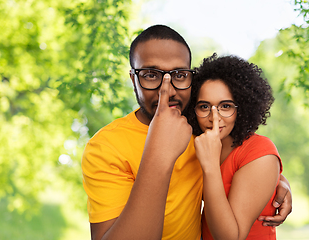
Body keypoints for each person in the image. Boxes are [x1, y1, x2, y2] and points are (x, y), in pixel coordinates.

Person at [81, 25, 291, 240]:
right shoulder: (106, 147)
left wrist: (275, 181)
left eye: (179, 75)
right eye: (151, 75)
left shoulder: (200, 133)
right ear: (134, 79)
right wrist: (160, 152)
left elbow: (240, 163)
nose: (168, 90)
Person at [187, 53, 283, 239]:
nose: (214, 117)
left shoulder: (259, 151)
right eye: (204, 107)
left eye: (226, 106)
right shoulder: (196, 144)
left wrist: (210, 167)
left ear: (243, 107)